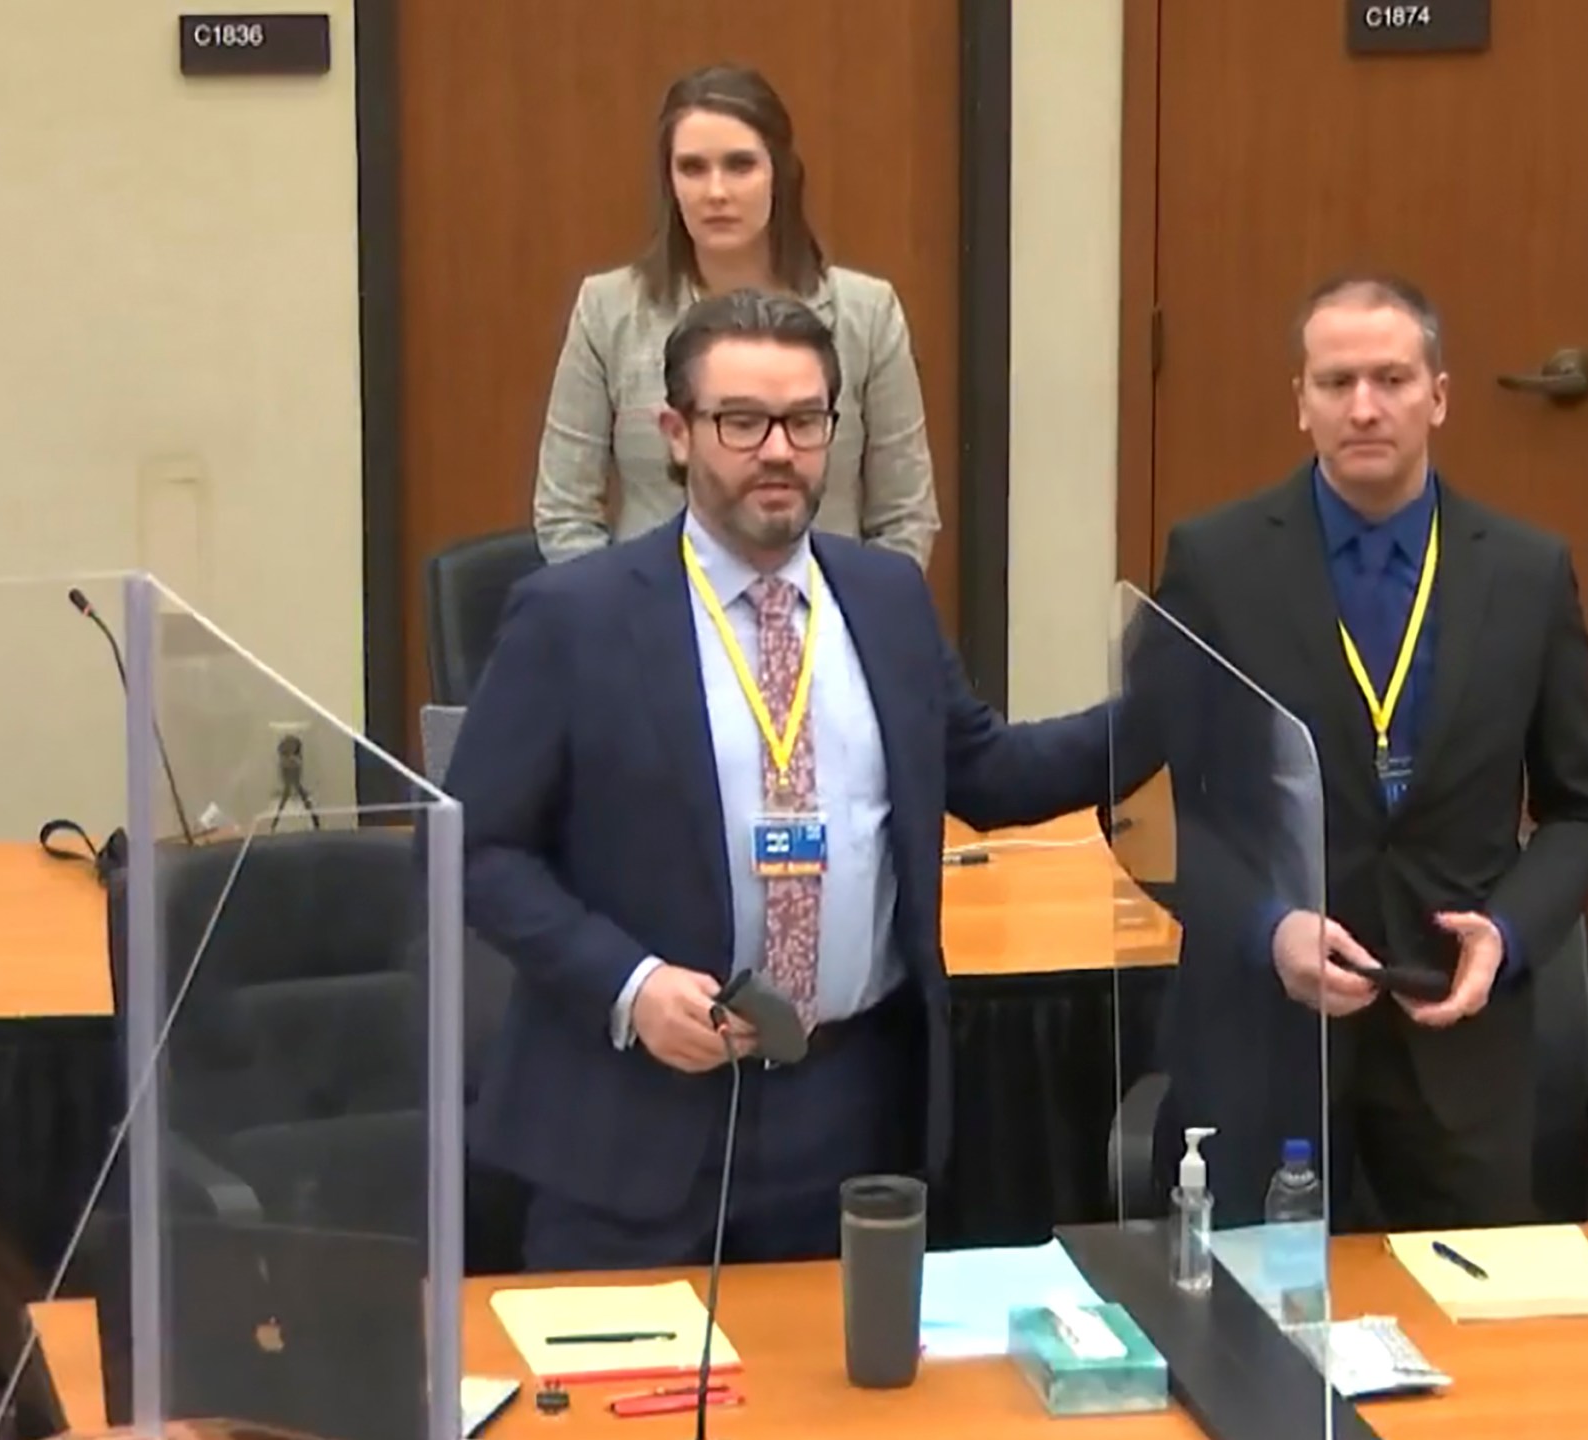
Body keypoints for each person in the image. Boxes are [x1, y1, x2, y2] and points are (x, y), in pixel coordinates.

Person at [449, 289, 1111, 1271]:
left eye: (805, 421)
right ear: (676, 434)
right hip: (635, 1126)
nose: (777, 450)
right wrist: (627, 987)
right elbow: (477, 849)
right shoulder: (572, 617)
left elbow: (985, 770)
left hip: (846, 1111)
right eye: (742, 421)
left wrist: (1168, 712)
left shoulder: (884, 596)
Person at [1144, 272, 1588, 1230]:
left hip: (1458, 1034)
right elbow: (1155, 805)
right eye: (1335, 383)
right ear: (1301, 403)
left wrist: (1513, 929)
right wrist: (1266, 927)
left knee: (1481, 1349)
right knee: (1247, 1338)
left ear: (1439, 396)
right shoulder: (1216, 561)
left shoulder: (1528, 573)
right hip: (1267, 1031)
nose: (1364, 407)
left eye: (1393, 379)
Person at [530, 63, 940, 569]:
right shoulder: (608, 310)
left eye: (740, 165)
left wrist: (856, 623)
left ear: (780, 175)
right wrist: (623, 625)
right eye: (693, 168)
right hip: (656, 628)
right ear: (669, 181)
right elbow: (563, 513)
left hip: (820, 622)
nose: (716, 192)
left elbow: (906, 518)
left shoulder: (868, 314)